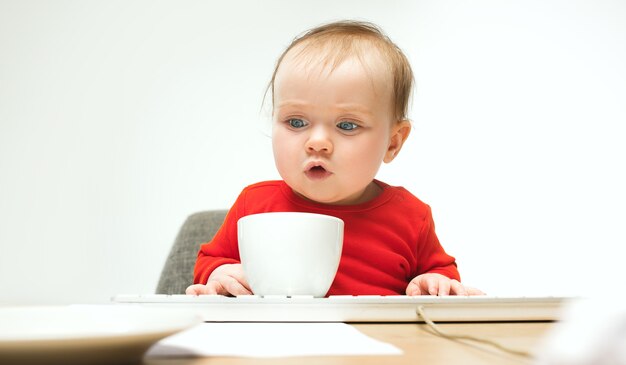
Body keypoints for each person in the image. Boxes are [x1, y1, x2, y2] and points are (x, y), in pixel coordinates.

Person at [186, 20, 483, 297]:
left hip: (374, 349)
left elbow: (442, 275)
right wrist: (221, 273)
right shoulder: (253, 205)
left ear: (393, 143)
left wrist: (434, 281)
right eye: (296, 122)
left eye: (347, 126)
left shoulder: (411, 217)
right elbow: (209, 262)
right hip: (277, 342)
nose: (317, 143)